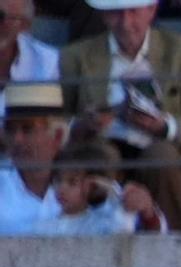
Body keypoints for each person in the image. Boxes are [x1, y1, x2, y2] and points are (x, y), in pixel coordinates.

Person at [59, 0, 181, 231]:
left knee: (160, 154)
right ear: (104, 15)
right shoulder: (76, 56)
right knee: (103, 154)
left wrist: (164, 126)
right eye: (116, 13)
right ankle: (96, 236)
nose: (126, 23)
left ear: (151, 11)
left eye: (133, 12)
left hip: (158, 148)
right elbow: (56, 123)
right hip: (101, 145)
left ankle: (169, 244)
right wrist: (82, 126)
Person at [34, 138, 164, 232]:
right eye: (57, 181)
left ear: (94, 185)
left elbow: (122, 231)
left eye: (72, 182)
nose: (61, 188)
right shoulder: (44, 224)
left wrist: (110, 191)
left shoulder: (100, 224)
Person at [0, 81, 70, 233]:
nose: (17, 140)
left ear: (57, 136)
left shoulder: (84, 185)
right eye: (10, 129)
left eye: (27, 129)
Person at [1, 0, 59, 113]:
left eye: (1, 17)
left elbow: (51, 122)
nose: (2, 24)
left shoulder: (48, 61)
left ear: (24, 25)